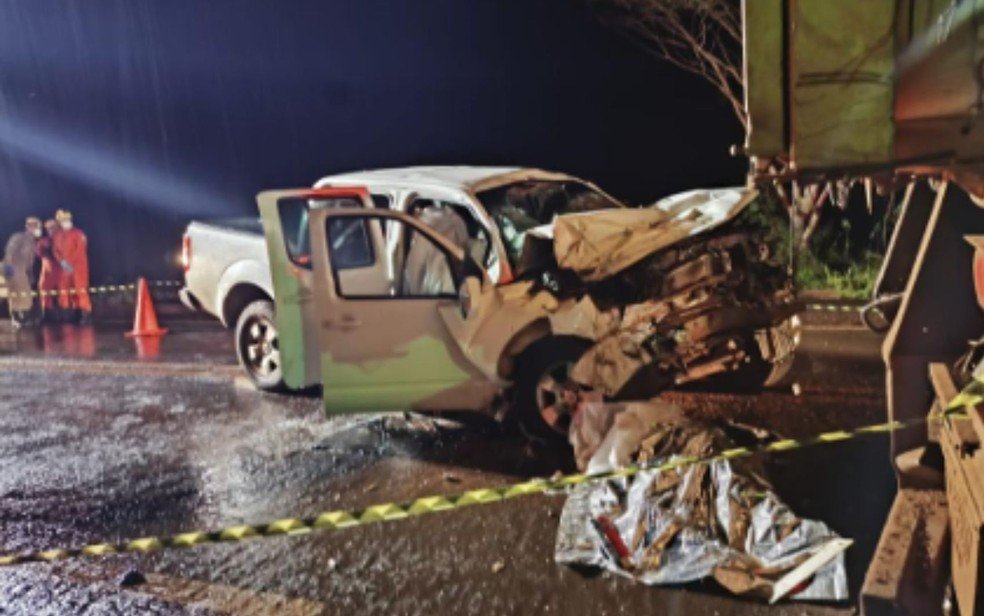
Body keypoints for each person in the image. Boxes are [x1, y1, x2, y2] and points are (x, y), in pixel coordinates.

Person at [52, 209, 92, 324]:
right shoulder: (57, 235)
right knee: (64, 290)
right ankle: (67, 314)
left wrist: (69, 262)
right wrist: (62, 262)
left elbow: (80, 250)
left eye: (67, 220)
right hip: (64, 267)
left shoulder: (78, 234)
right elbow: (55, 250)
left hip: (78, 267)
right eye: (62, 221)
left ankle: (85, 314)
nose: (65, 222)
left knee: (80, 289)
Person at [3, 217, 41, 327]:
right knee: (20, 293)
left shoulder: (32, 242)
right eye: (33, 226)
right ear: (27, 227)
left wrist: (29, 273)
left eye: (36, 227)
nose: (35, 229)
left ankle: (20, 317)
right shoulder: (18, 237)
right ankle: (20, 317)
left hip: (21, 269)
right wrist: (9, 268)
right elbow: (9, 251)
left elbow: (29, 260)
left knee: (22, 293)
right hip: (13, 268)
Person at [34, 219, 63, 322]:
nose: (51, 230)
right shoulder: (44, 241)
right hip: (47, 271)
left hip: (61, 271)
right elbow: (38, 252)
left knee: (64, 292)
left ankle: (65, 314)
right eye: (49, 228)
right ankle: (46, 314)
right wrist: (46, 250)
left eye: (53, 228)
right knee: (44, 289)